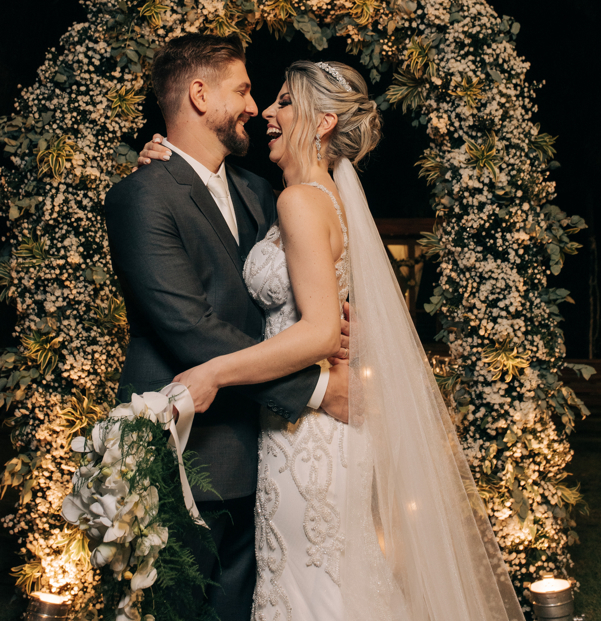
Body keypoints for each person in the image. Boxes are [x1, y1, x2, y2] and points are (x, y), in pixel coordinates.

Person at [141, 58, 526, 621]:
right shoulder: (307, 196)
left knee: (313, 590)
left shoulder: (299, 201)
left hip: (309, 439)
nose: (266, 113)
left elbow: (320, 329)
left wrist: (216, 371)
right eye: (261, 99)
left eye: (283, 102)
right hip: (296, 430)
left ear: (321, 122)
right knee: (321, 582)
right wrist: (165, 159)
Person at [104, 35, 350, 621]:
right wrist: (317, 389)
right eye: (241, 89)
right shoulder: (142, 195)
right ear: (198, 94)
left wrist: (344, 314)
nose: (253, 106)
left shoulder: (263, 192)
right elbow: (191, 330)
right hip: (185, 459)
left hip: (266, 455)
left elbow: (300, 285)